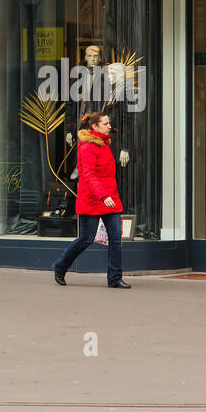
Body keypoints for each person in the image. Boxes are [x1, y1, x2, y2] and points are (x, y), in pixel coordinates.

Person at [51, 112, 130, 289]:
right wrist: (104, 196)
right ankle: (60, 266)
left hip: (110, 199)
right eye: (105, 124)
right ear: (94, 127)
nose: (109, 126)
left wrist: (109, 196)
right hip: (93, 199)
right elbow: (88, 175)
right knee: (86, 238)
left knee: (116, 239)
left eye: (109, 123)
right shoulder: (87, 146)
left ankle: (115, 278)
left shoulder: (105, 144)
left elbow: (107, 175)